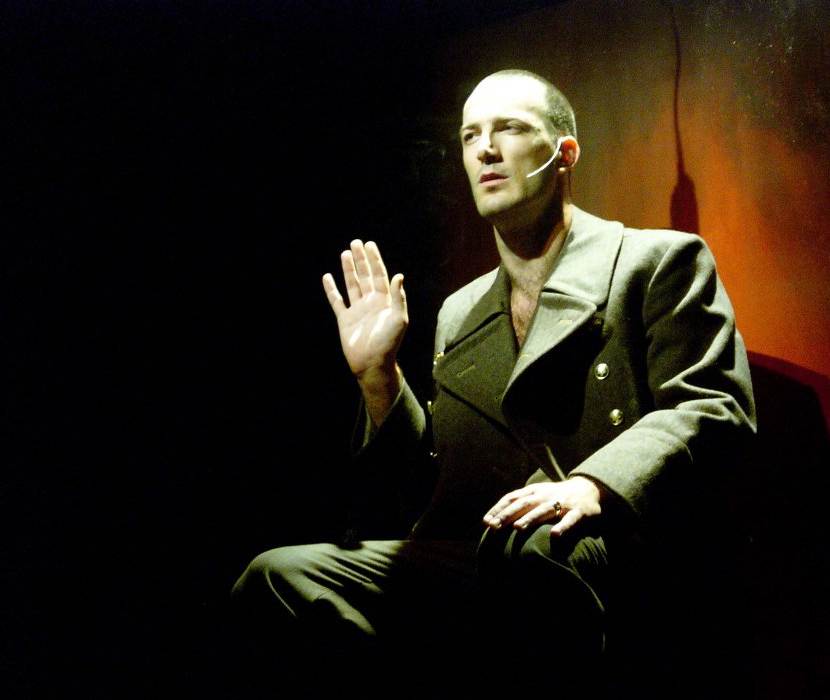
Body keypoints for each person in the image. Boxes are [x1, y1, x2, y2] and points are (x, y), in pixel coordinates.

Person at [227, 69, 756, 698]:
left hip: (614, 549)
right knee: (277, 576)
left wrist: (592, 485)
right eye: (470, 135)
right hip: (488, 557)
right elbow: (431, 488)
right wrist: (379, 378)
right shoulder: (460, 311)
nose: (485, 149)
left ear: (565, 154)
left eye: (509, 128)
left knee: (536, 553)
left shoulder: (656, 261)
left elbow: (712, 406)